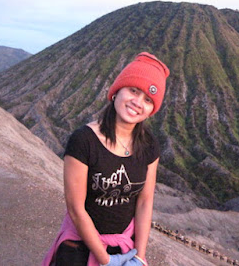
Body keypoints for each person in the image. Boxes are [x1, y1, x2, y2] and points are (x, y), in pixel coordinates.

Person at [42, 52, 170, 266]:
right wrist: (106, 260)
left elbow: (145, 201)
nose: (138, 102)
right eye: (133, 90)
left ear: (151, 111)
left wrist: (139, 256)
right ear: (116, 91)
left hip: (124, 246)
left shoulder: (149, 146)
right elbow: (76, 208)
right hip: (80, 247)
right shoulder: (84, 141)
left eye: (148, 100)